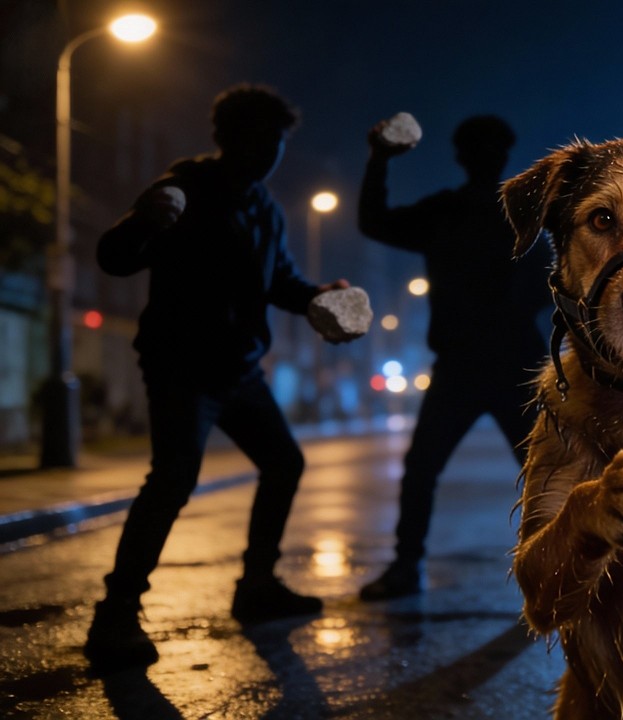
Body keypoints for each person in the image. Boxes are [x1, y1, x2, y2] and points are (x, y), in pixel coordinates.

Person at [85, 84, 350, 669]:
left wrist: (319, 298)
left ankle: (257, 585)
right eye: (259, 140)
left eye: (277, 143)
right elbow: (113, 256)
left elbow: (280, 282)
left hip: (240, 368)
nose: (269, 153)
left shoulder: (266, 208)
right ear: (227, 138)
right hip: (182, 365)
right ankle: (116, 614)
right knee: (174, 477)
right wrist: (144, 221)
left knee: (285, 462)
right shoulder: (182, 188)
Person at [356, 115, 551, 600]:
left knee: (427, 468)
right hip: (505, 362)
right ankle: (550, 574)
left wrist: (379, 161)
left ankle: (407, 567)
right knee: (540, 472)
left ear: (459, 157)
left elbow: (374, 221)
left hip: (477, 362)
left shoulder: (452, 212)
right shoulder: (521, 214)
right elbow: (557, 286)